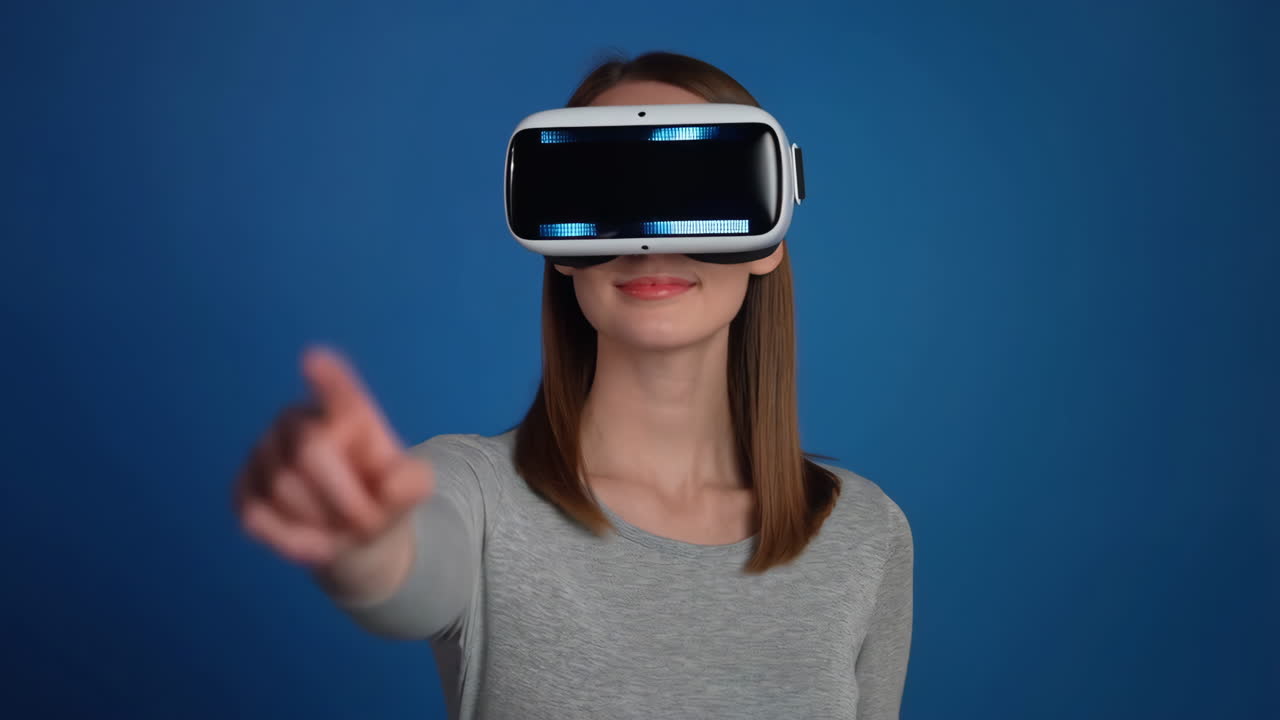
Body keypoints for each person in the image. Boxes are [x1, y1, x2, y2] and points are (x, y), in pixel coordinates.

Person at [233, 50, 913, 720]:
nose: (651, 243)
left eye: (698, 192)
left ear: (770, 236)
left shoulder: (864, 534)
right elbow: (410, 569)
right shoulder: (476, 494)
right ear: (561, 251)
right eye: (606, 196)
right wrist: (367, 544)